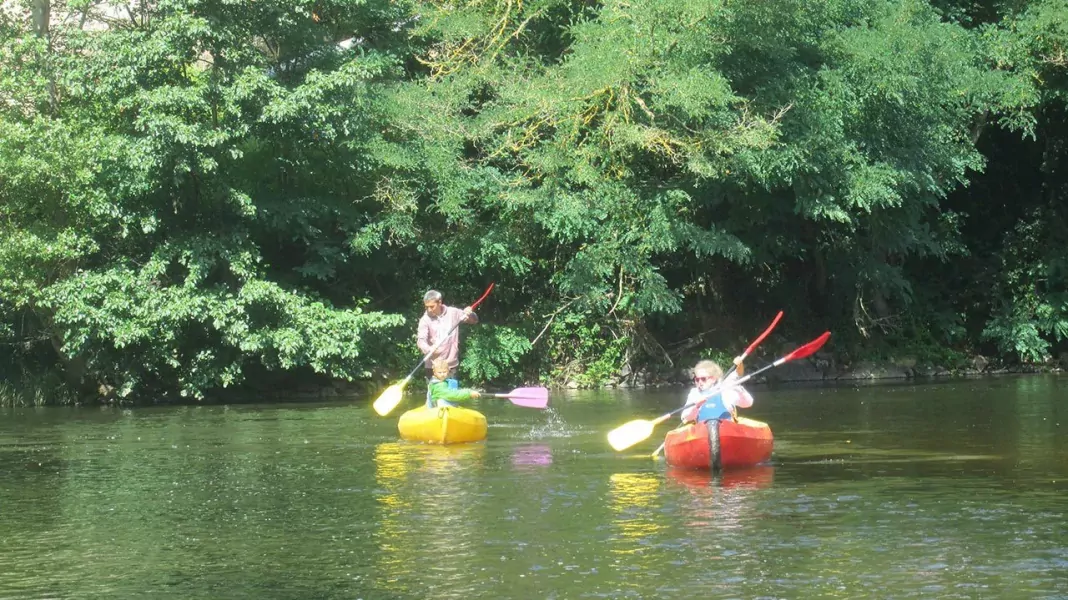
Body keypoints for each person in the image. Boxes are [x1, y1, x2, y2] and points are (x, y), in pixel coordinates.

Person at [417, 289, 478, 380]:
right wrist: (429, 349)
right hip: (433, 367)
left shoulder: (453, 312)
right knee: (435, 390)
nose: (429, 310)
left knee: (452, 390)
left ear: (440, 302)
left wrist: (469, 314)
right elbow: (421, 341)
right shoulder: (425, 320)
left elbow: (474, 320)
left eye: (432, 306)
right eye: (427, 307)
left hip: (451, 366)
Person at [680, 358, 753, 423]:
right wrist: (696, 406)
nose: (700, 382)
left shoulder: (726, 390)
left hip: (726, 428)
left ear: (713, 379)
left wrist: (739, 389)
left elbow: (748, 403)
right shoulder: (695, 393)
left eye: (703, 379)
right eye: (697, 379)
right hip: (703, 429)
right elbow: (685, 417)